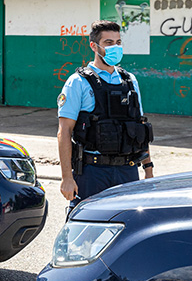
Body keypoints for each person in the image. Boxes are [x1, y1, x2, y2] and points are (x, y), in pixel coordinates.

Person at [57, 20, 154, 212]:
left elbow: (140, 128)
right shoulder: (78, 82)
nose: (115, 47)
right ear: (94, 46)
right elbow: (64, 131)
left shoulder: (130, 81)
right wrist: (67, 177)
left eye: (118, 42)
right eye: (108, 43)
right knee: (88, 223)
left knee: (129, 222)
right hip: (93, 172)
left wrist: (148, 171)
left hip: (127, 170)